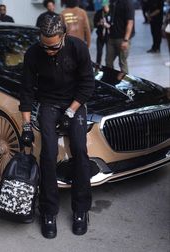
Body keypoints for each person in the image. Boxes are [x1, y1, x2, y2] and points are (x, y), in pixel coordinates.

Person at [19, 14, 94, 239]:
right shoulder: (33, 53)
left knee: (80, 150)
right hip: (49, 103)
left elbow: (88, 84)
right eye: (45, 46)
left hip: (75, 102)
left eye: (54, 47)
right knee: (48, 154)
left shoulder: (78, 48)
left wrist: (71, 112)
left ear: (64, 36)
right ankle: (48, 211)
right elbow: (26, 91)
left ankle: (81, 210)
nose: (49, 51)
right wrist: (26, 127)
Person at [105, 0, 135, 74]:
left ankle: (125, 83)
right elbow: (107, 14)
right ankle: (110, 81)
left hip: (122, 38)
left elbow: (130, 22)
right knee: (108, 62)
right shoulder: (112, 2)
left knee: (122, 62)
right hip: (111, 37)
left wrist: (126, 40)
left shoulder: (127, 3)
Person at [93, 0, 111, 68]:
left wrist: (108, 25)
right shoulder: (99, 13)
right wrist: (99, 23)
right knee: (99, 53)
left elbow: (114, 25)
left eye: (106, 6)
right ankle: (97, 67)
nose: (104, 7)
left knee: (109, 54)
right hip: (100, 36)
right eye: (103, 6)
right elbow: (95, 24)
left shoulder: (112, 12)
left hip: (109, 37)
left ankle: (109, 67)